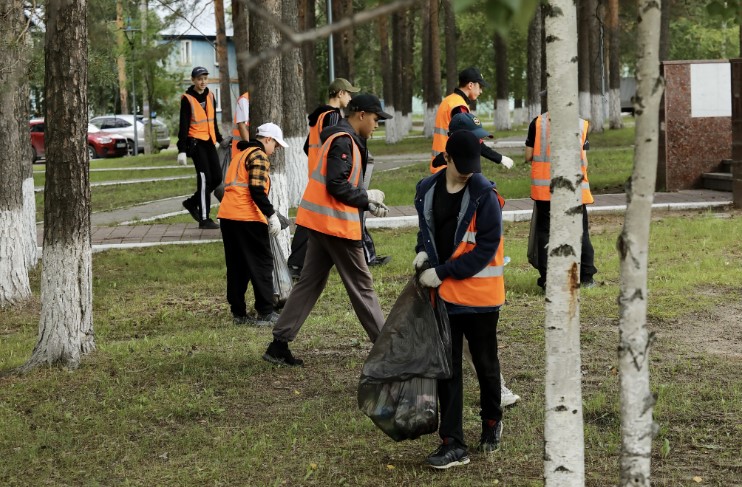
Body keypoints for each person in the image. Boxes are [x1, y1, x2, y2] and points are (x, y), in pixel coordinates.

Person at [262, 94, 392, 367]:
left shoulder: (344, 138)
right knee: (362, 287)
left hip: (321, 224)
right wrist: (366, 198)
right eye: (375, 119)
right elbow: (337, 184)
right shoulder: (343, 140)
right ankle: (389, 353)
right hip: (336, 226)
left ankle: (278, 344)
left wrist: (366, 201)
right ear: (360, 115)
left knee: (310, 282)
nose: (377, 125)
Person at [413, 130, 506, 469]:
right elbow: (427, 231)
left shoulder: (486, 195)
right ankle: (452, 442)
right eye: (462, 164)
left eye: (473, 165)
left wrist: (442, 272)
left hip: (480, 300)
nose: (469, 171)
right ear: (447, 159)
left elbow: (485, 249)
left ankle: (492, 421)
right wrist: (423, 253)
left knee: (484, 364)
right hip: (446, 300)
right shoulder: (428, 190)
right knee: (447, 368)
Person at [444, 112, 520, 408]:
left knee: (470, 344)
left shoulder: (483, 190)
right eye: (477, 139)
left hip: (474, 285)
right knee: (466, 344)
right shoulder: (450, 188)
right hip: (459, 283)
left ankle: (496, 390)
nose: (481, 144)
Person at [287, 79, 391, 279]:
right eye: (349, 93)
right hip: (333, 176)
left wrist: (321, 164)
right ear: (340, 93)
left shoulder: (319, 115)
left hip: (320, 174)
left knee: (309, 225)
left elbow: (308, 146)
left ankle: (295, 265)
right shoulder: (335, 119)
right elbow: (339, 145)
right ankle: (367, 257)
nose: (350, 98)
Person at [217, 122, 288, 326]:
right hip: (247, 217)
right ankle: (265, 311)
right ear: (267, 139)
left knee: (237, 266)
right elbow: (256, 190)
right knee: (262, 264)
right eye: (276, 145)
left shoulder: (239, 155)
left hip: (229, 217)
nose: (275, 150)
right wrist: (271, 215)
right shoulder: (258, 155)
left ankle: (238, 313)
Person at [525, 112, 598, 289]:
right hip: (574, 188)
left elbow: (529, 155)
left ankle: (548, 280)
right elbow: (584, 161)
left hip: (546, 190)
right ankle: (587, 277)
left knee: (545, 233)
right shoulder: (581, 124)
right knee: (580, 232)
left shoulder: (538, 123)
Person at [430, 67, 514, 174]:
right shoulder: (458, 106)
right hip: (450, 166)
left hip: (442, 162)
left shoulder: (450, 100)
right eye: (480, 87)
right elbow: (471, 139)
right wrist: (499, 158)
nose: (481, 91)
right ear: (470, 85)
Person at [177, 66, 225, 230]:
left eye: (205, 78)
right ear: (193, 80)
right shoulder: (187, 98)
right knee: (205, 180)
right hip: (196, 144)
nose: (202, 82)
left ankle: (192, 202)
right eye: (199, 79)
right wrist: (181, 150)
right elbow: (183, 126)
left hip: (209, 142)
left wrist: (219, 139)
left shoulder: (211, 96)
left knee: (217, 178)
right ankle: (204, 219)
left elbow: (213, 121)